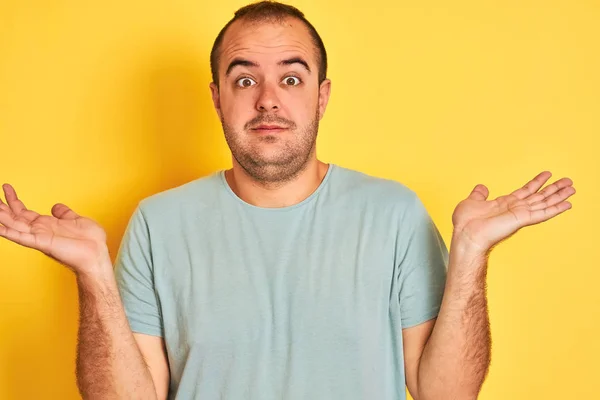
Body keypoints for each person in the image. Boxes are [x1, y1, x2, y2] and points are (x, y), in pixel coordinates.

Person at [0, 1, 576, 399]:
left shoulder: (395, 214)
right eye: (245, 79)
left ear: (322, 97)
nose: (269, 100)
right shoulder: (157, 224)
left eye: (292, 78)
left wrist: (472, 253)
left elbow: (444, 394)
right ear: (217, 98)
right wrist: (94, 275)